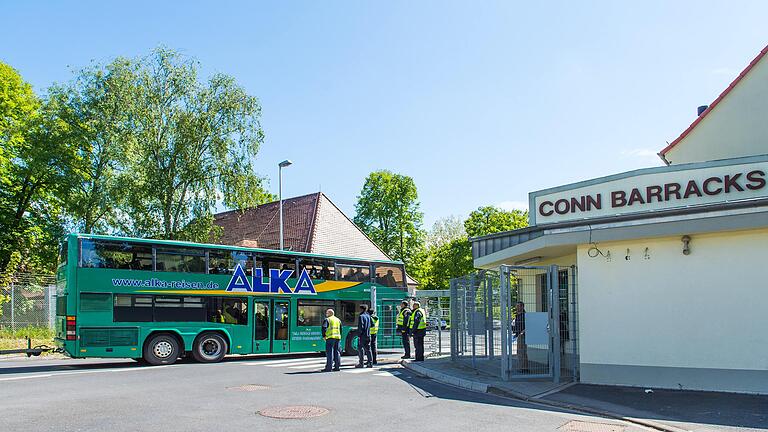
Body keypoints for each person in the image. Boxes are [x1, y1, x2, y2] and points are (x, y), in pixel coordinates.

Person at [513, 301, 528, 372]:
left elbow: (528, 325)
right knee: (520, 352)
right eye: (517, 306)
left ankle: (524, 368)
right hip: (518, 335)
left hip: (522, 335)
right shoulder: (517, 315)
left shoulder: (524, 315)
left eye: (519, 306)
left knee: (522, 352)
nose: (517, 307)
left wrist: (522, 332)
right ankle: (521, 367)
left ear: (522, 307)